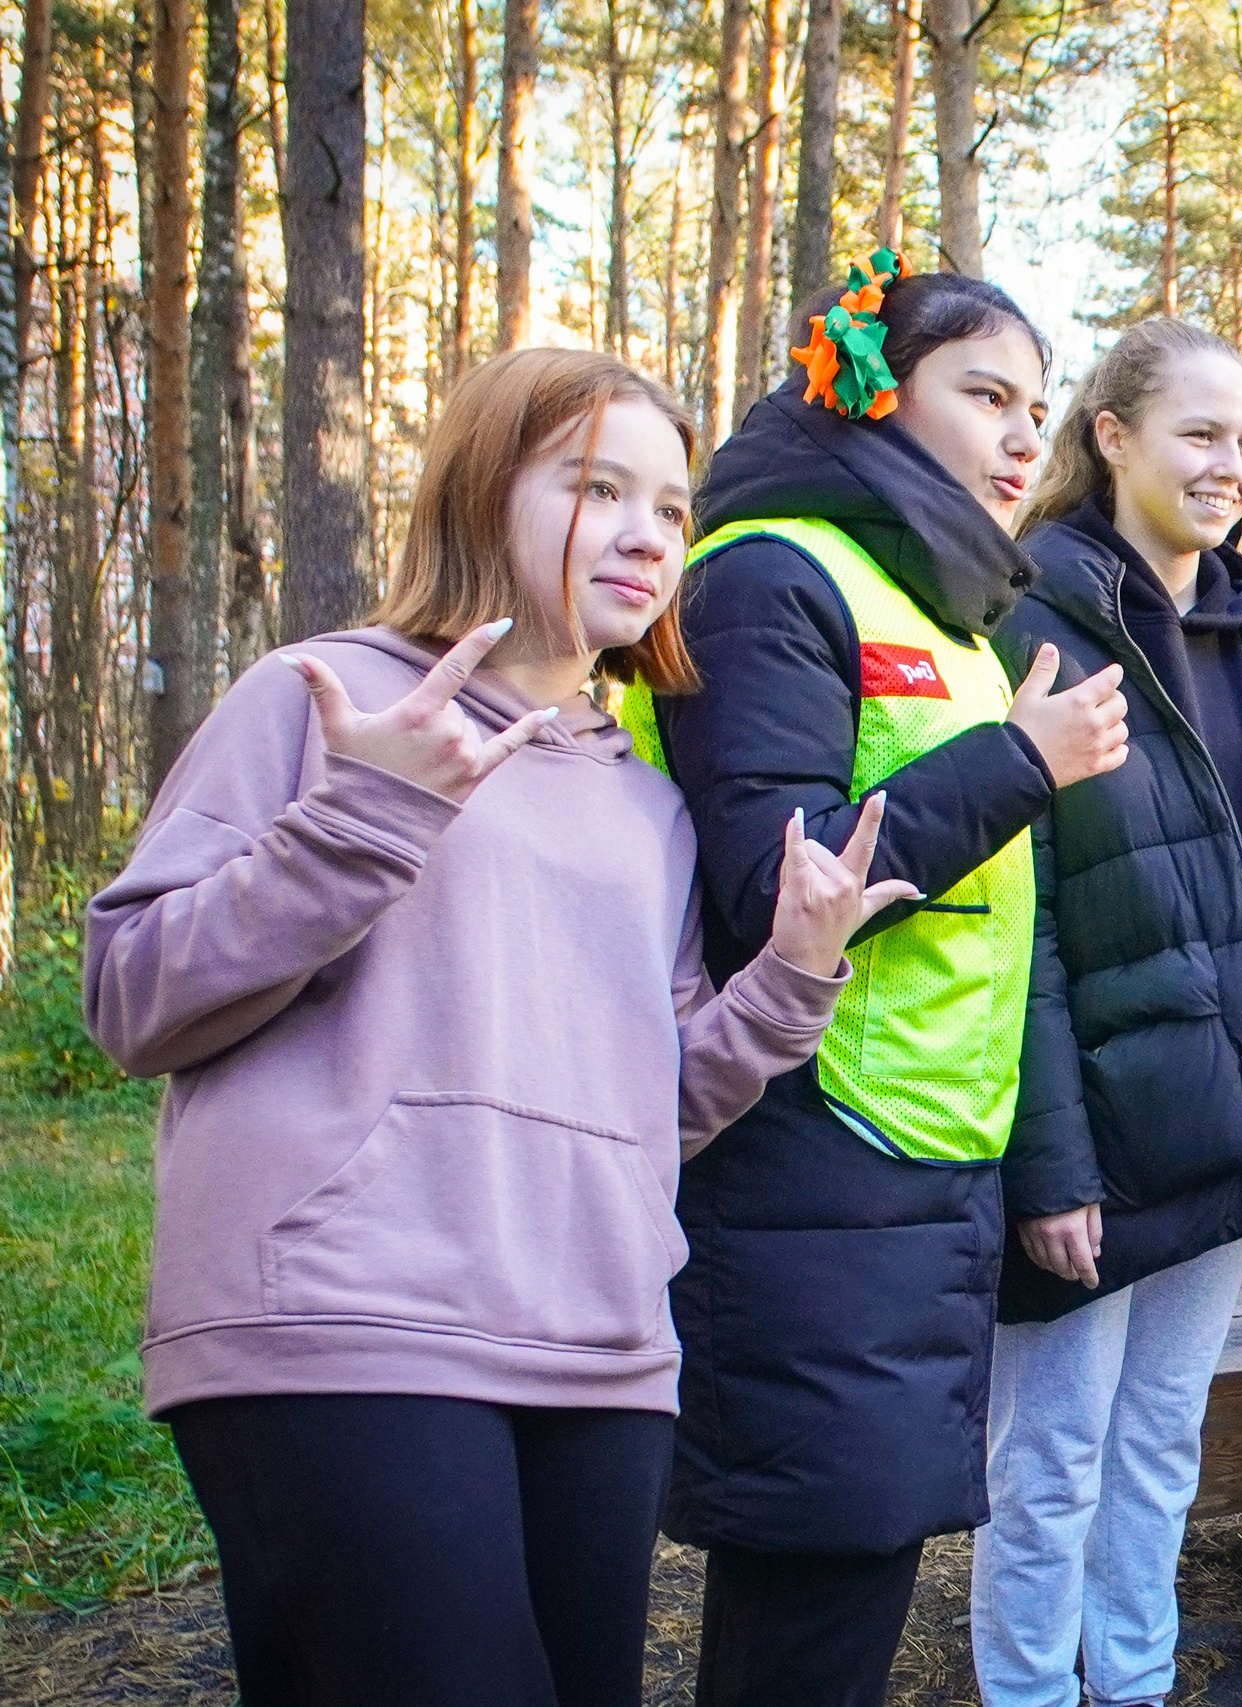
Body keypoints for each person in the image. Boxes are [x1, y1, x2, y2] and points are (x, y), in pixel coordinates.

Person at [83, 349, 906, 1707]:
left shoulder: (644, 804)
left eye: (673, 506)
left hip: (596, 1340)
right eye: (599, 487)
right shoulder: (324, 700)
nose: (651, 530)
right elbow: (132, 992)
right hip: (347, 1319)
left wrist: (789, 978)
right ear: (480, 496)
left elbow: (662, 1100)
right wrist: (360, 819)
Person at [628, 257, 1131, 1707]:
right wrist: (1021, 763)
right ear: (865, 391)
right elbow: (761, 889)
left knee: (852, 1575)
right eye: (986, 394)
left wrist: (1038, 1153)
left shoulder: (955, 624)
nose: (1026, 435)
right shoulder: (769, 576)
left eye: (1039, 404)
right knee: (810, 1597)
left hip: (922, 1166)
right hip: (808, 1145)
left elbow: (991, 935)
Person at [970, 319, 1242, 1707]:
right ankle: (1034, 1691)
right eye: (1198, 433)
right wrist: (1048, 1161)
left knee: (1159, 1438)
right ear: (1112, 435)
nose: (1229, 463)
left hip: (1224, 1116)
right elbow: (1004, 924)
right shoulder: (1027, 621)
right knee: (1049, 1459)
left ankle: (1134, 1682)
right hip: (1087, 1130)